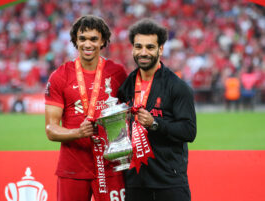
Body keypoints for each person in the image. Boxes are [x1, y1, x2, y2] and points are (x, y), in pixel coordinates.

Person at [44, 15, 127, 201]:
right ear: (75, 40)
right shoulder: (60, 76)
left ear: (103, 41)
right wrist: (78, 133)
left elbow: (129, 113)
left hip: (111, 166)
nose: (87, 44)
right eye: (82, 39)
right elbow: (50, 129)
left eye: (93, 39)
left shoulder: (118, 73)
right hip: (73, 167)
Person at [118, 19, 197, 201]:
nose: (143, 52)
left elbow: (189, 131)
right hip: (134, 181)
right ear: (132, 49)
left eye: (150, 47)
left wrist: (155, 124)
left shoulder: (177, 87)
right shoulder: (127, 85)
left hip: (169, 182)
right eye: (138, 47)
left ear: (160, 49)